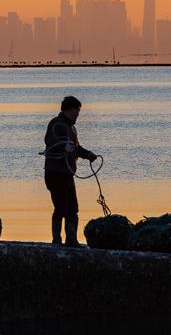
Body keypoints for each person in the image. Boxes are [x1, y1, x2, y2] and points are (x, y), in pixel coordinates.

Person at [44, 96, 97, 247]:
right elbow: (52, 142)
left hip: (67, 174)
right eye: (78, 111)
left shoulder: (71, 128)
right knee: (60, 208)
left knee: (72, 208)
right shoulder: (56, 124)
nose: (78, 114)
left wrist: (88, 155)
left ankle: (71, 240)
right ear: (71, 109)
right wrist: (64, 147)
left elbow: (75, 148)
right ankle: (57, 241)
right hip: (55, 173)